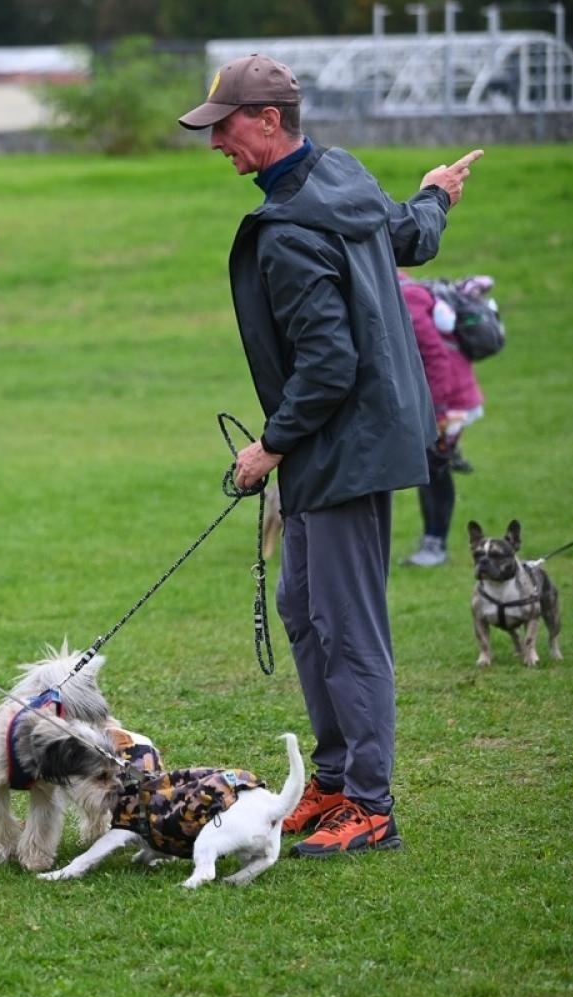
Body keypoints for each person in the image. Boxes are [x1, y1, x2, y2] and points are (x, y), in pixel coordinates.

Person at [178, 54, 481, 858]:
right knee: (303, 607)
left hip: (342, 445)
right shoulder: (340, 174)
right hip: (346, 442)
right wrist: (436, 193)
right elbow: (408, 234)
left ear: (269, 121)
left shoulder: (289, 230)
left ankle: (371, 804)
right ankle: (338, 777)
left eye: (226, 128)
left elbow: (329, 363)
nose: (217, 145)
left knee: (347, 627)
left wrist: (267, 448)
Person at [399, 273, 486, 568]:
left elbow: (437, 358)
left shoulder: (407, 298)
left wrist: (436, 415)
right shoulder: (401, 289)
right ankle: (433, 542)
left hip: (452, 401)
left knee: (434, 466)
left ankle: (435, 544)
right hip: (443, 399)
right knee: (432, 465)